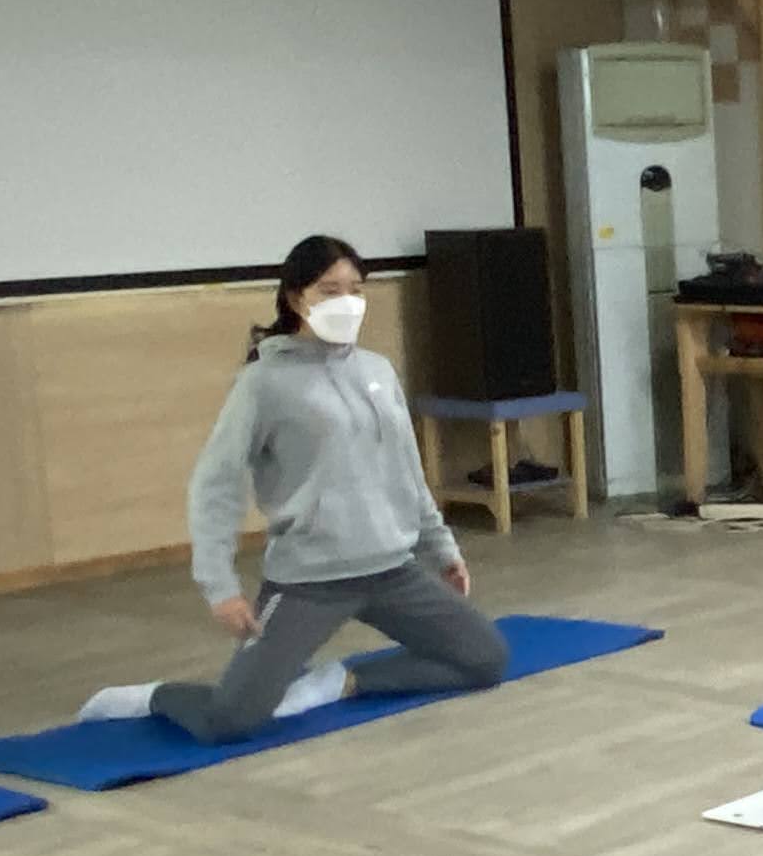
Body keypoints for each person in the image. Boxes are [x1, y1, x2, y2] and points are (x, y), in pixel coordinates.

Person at [83, 237, 506, 741]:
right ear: (295, 298)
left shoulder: (377, 371)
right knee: (230, 720)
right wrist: (220, 585)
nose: (346, 302)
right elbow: (216, 485)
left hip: (392, 570)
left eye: (355, 289)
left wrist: (442, 549)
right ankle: (150, 697)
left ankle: (341, 682)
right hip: (309, 582)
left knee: (486, 659)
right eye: (329, 290)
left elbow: (407, 473)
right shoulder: (263, 383)